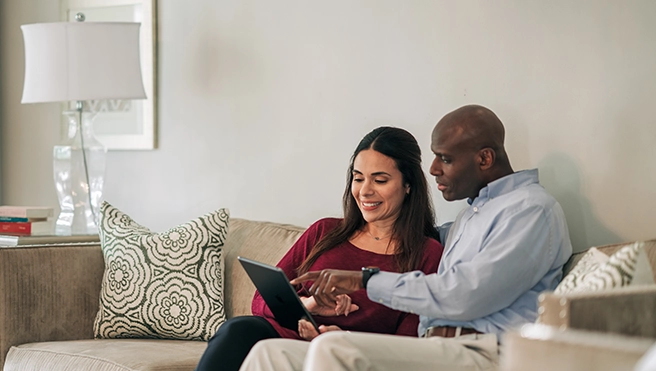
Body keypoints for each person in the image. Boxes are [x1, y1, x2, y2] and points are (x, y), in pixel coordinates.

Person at [239, 104, 574, 371]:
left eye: (445, 158)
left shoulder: (530, 210)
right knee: (270, 354)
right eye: (359, 178)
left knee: (334, 347)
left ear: (484, 158)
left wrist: (363, 281)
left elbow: (465, 294)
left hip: (483, 352)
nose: (433, 169)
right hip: (437, 348)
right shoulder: (471, 216)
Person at [195, 126, 444, 371]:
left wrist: (342, 338)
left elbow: (409, 342)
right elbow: (260, 300)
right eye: (358, 178)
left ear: (408, 184)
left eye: (380, 180)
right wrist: (308, 305)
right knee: (239, 329)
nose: (365, 191)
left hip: (350, 356)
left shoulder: (427, 254)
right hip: (287, 338)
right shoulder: (325, 231)